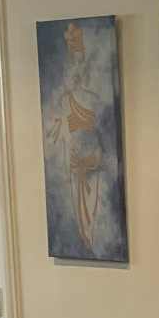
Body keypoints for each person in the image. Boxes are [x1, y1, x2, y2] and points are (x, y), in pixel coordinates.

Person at [45, 20, 104, 251]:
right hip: (74, 161)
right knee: (79, 212)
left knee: (91, 209)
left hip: (90, 161)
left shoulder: (94, 100)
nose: (75, 73)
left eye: (79, 65)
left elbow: (100, 137)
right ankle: (86, 238)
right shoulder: (65, 101)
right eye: (71, 68)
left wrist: (91, 158)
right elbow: (59, 136)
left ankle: (90, 237)